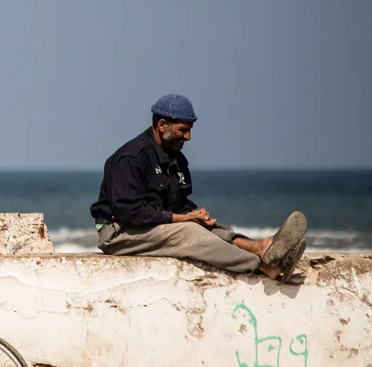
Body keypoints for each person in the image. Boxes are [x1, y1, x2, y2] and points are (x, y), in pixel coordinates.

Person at [89, 94, 307, 282]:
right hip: (119, 233)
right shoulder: (131, 158)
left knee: (205, 226)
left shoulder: (177, 160)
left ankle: (260, 246)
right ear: (162, 125)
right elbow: (130, 212)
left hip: (150, 227)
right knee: (189, 231)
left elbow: (179, 205)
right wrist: (183, 219)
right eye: (183, 130)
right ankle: (263, 266)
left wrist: (194, 214)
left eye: (190, 130)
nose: (188, 137)